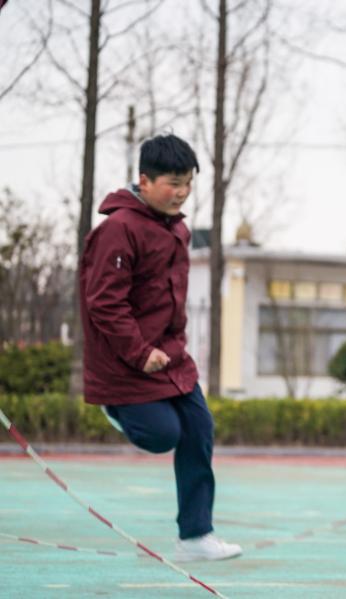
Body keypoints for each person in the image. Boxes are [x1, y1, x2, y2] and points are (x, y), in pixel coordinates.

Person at [79, 134, 241, 562]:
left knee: (199, 429)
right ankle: (116, 409)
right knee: (162, 435)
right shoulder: (118, 230)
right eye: (173, 182)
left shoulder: (178, 229)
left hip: (171, 357)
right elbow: (104, 303)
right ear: (144, 180)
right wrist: (138, 351)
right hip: (126, 361)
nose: (182, 192)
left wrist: (171, 347)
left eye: (188, 182)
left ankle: (195, 537)